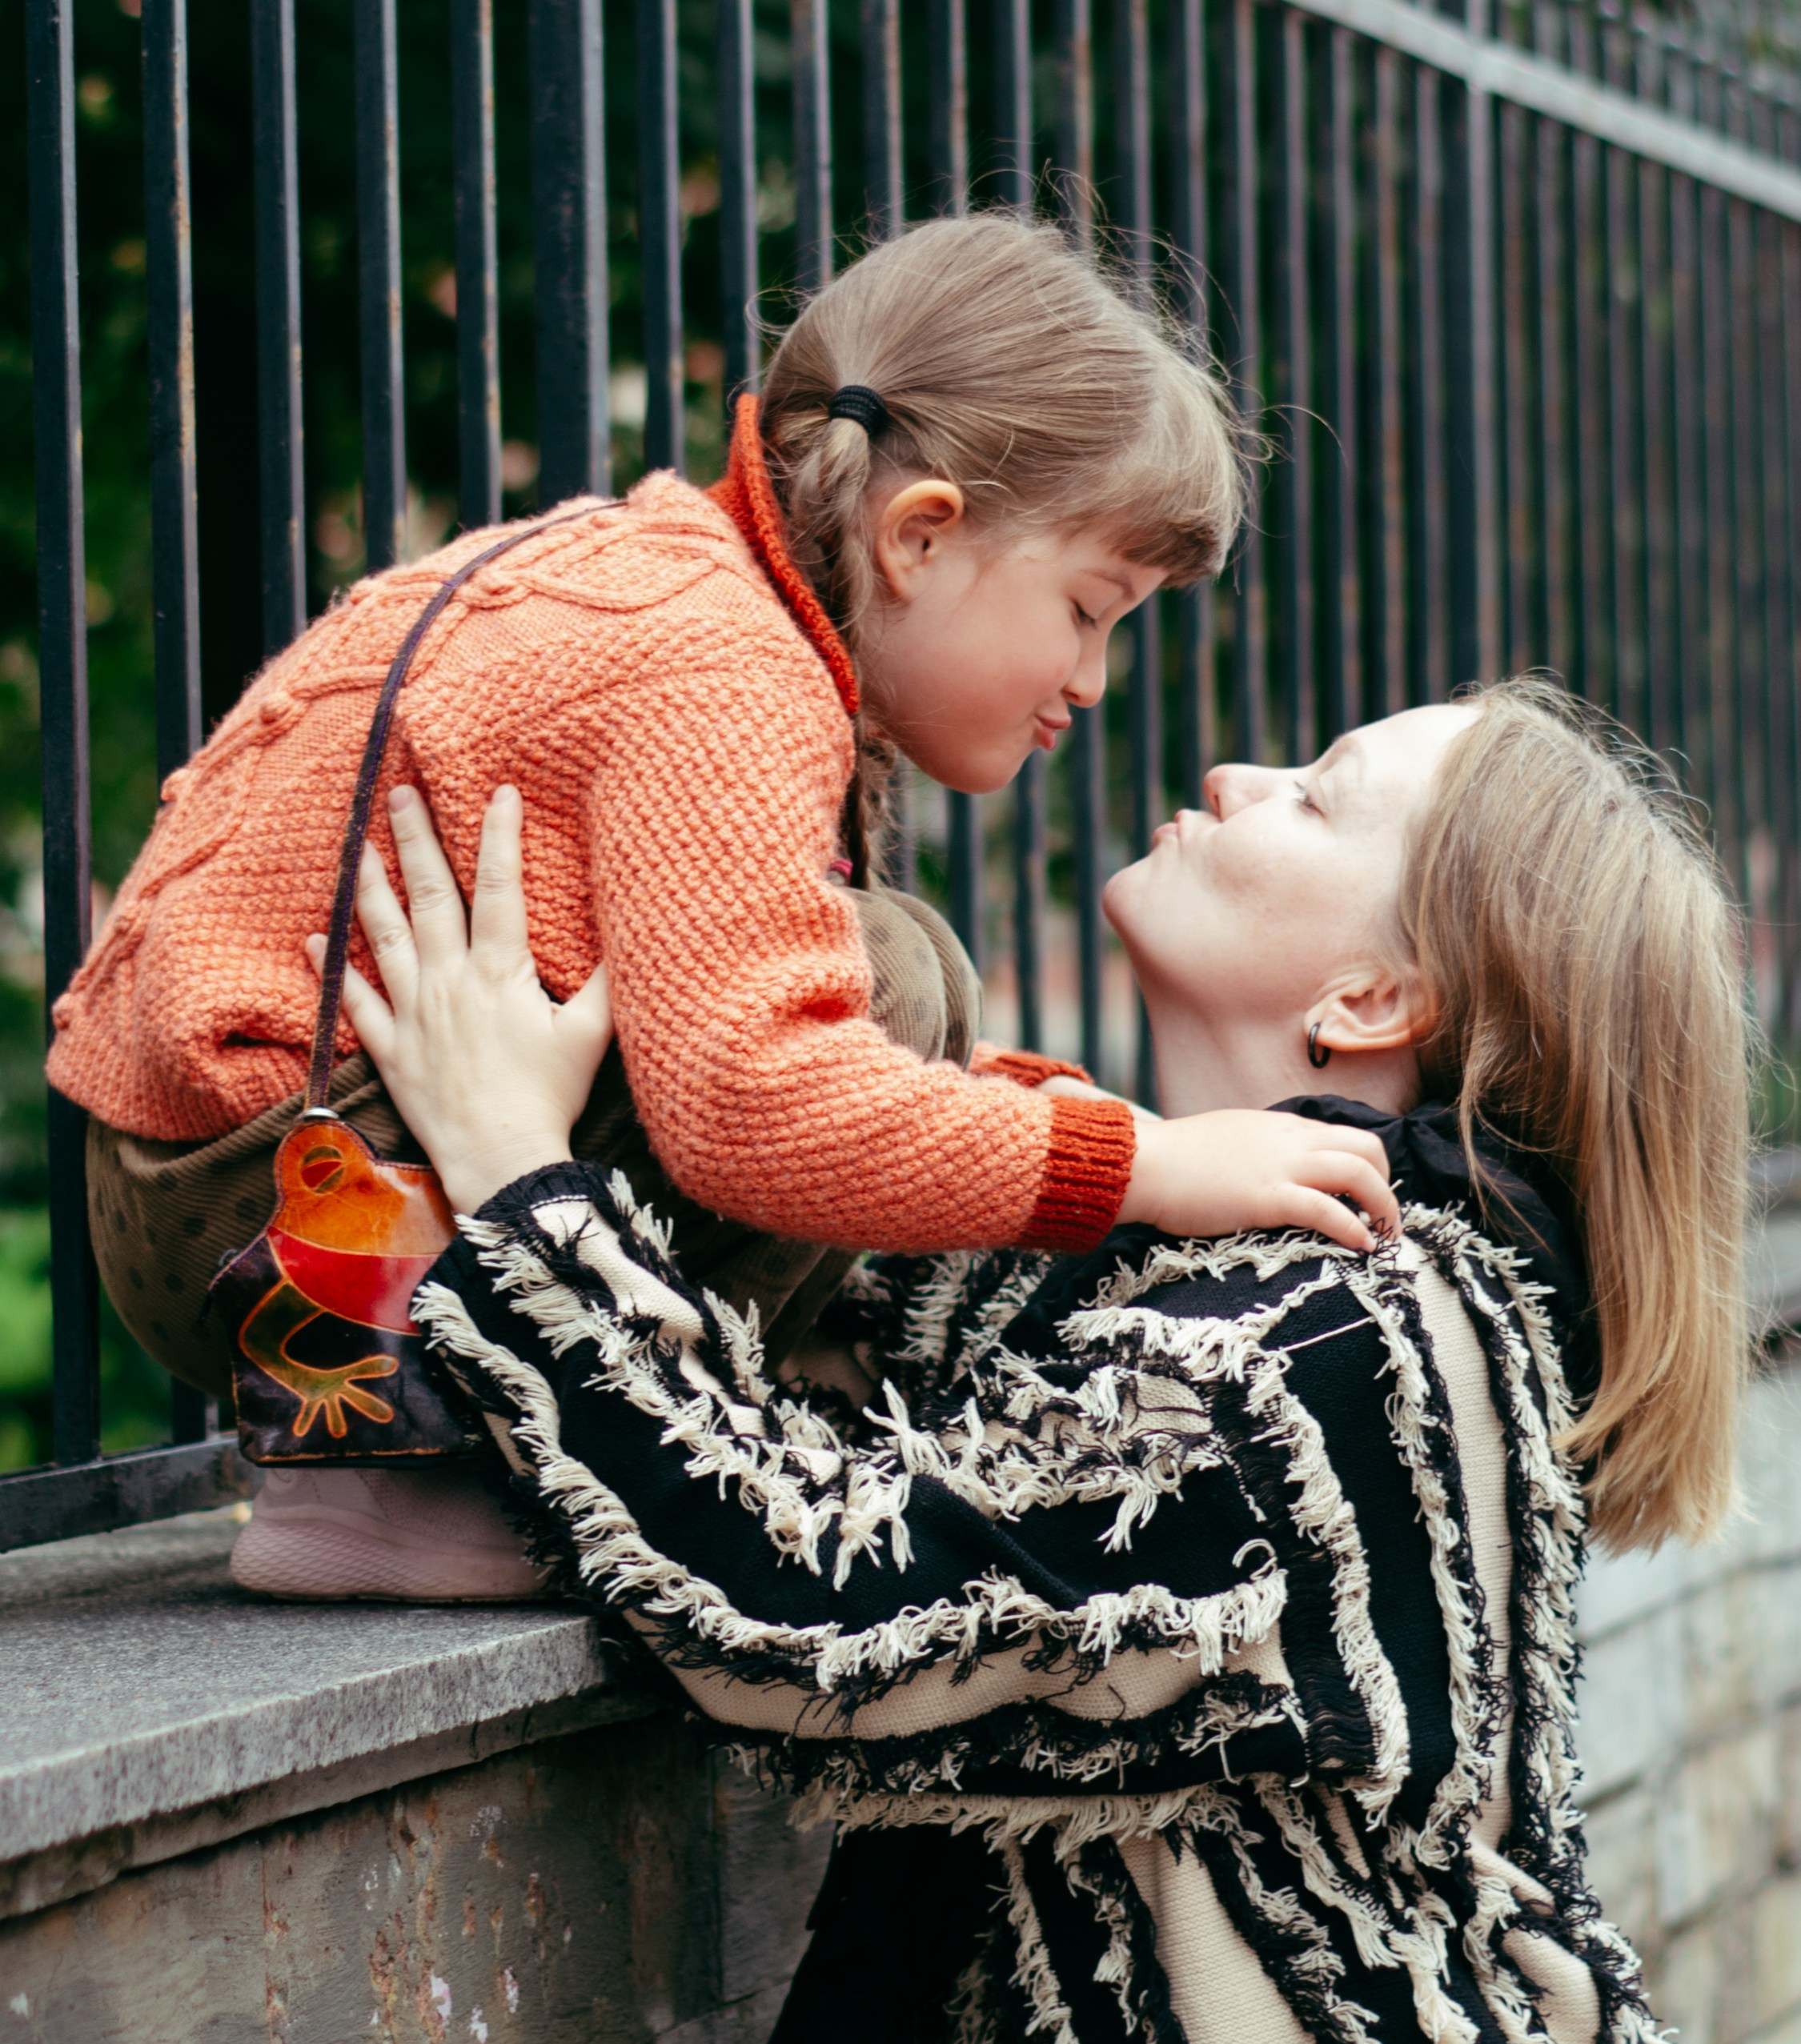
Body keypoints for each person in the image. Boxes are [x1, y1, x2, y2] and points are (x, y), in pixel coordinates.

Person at [331, 676, 1781, 2044]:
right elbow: (859, 1311)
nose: (1234, 766)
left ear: (1372, 995)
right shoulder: (1167, 1279)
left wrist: (507, 1167)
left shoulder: (1340, 1346)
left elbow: (810, 1596)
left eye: (1316, 797)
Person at [44, 210, 1393, 1601]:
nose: (1095, 678)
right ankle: (418, 1476)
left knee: (864, 996)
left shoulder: (671, 586)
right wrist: (1142, 1165)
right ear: (920, 538)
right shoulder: (722, 671)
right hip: (294, 1217)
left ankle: (474, 1444)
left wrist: (1088, 1140)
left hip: (221, 1182)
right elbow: (755, 1103)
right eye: (1090, 607)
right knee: (891, 979)